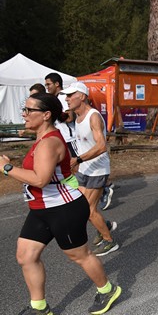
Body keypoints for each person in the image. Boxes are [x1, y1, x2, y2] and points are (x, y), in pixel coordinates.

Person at [0, 93, 122, 315]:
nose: (24, 114)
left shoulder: (50, 142)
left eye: (29, 110)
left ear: (46, 115)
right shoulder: (41, 138)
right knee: (26, 256)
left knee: (79, 255)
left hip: (63, 209)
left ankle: (108, 289)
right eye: (24, 109)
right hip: (40, 209)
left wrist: (7, 168)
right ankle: (39, 307)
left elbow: (40, 179)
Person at [63, 82, 119, 256]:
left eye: (71, 95)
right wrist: (78, 164)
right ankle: (105, 225)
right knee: (81, 207)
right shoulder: (77, 118)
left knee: (87, 210)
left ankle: (110, 241)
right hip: (84, 169)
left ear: (82, 96)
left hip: (98, 170)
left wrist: (78, 159)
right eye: (66, 95)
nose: (67, 98)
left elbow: (101, 146)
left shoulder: (93, 116)